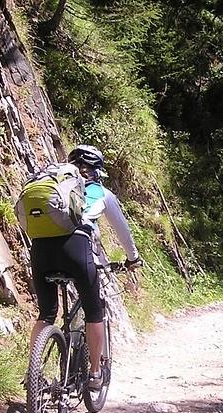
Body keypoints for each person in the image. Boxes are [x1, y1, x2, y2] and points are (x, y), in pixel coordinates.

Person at [28, 145, 142, 390]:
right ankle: (94, 373)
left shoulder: (56, 188)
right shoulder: (101, 193)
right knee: (94, 311)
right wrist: (132, 258)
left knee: (47, 314)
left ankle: (33, 372)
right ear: (97, 170)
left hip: (40, 250)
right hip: (76, 250)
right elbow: (123, 232)